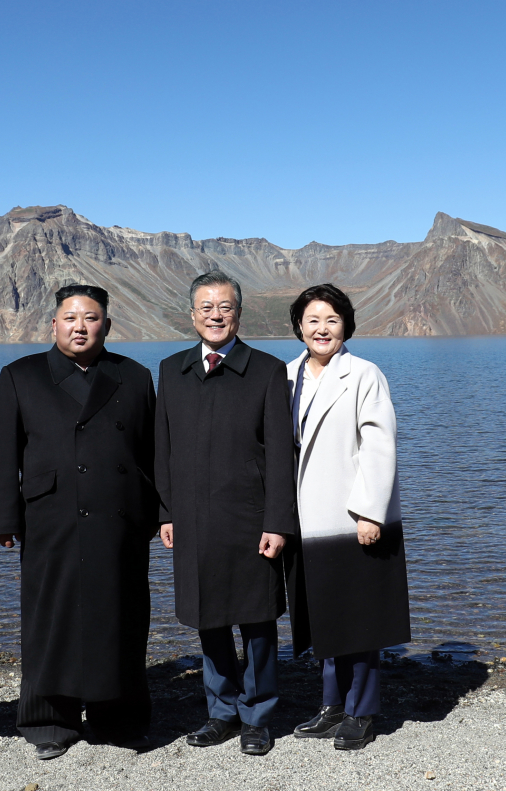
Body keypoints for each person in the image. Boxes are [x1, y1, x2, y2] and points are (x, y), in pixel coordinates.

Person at [0, 284, 159, 760]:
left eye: (91, 318)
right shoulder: (21, 375)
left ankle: (118, 717)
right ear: (53, 324)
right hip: (50, 516)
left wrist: (163, 513)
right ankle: (48, 719)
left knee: (119, 614)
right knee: (50, 614)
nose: (80, 326)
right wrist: (0, 516)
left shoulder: (135, 376)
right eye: (70, 318)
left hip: (120, 518)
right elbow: (2, 453)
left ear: (107, 324)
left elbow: (154, 454)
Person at [154, 270, 297, 756]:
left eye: (225, 307)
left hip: (250, 518)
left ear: (239, 312)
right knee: (208, 617)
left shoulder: (266, 370)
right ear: (192, 315)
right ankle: (221, 712)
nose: (216, 316)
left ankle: (257, 715)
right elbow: (163, 448)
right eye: (206, 308)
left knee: (257, 620)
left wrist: (277, 521)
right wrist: (166, 511)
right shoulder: (171, 369)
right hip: (192, 519)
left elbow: (281, 455)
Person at [284, 284, 411, 751]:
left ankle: (362, 712)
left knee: (362, 619)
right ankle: (331, 706)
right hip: (305, 520)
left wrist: (369, 512)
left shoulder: (364, 374)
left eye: (332, 320)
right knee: (325, 619)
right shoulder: (288, 374)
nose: (322, 328)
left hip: (351, 517)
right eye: (313, 319)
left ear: (346, 327)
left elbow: (380, 445)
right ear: (299, 325)